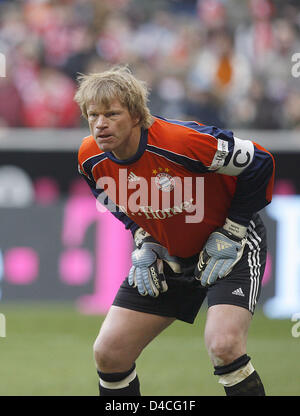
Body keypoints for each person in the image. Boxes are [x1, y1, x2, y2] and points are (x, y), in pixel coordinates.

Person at [75, 65, 275, 396]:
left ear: (137, 115)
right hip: (170, 253)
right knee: (109, 354)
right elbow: (110, 198)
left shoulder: (182, 142)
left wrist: (233, 228)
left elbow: (260, 162)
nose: (100, 123)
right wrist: (143, 237)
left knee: (224, 346)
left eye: (111, 113)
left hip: (231, 246)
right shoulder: (90, 158)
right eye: (92, 114)